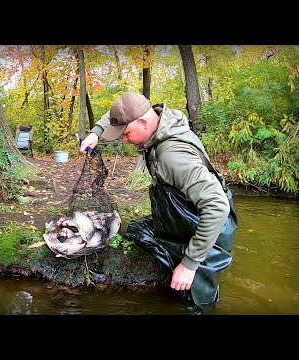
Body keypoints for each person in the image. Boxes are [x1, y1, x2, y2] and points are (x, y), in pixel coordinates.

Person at [79, 92, 237, 309]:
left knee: (196, 305)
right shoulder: (158, 118)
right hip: (187, 216)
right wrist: (96, 133)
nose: (123, 140)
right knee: (137, 230)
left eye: (125, 134)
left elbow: (218, 207)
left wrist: (189, 265)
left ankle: (193, 267)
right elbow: (115, 115)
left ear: (143, 123)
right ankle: (175, 258)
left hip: (212, 228)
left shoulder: (173, 156)